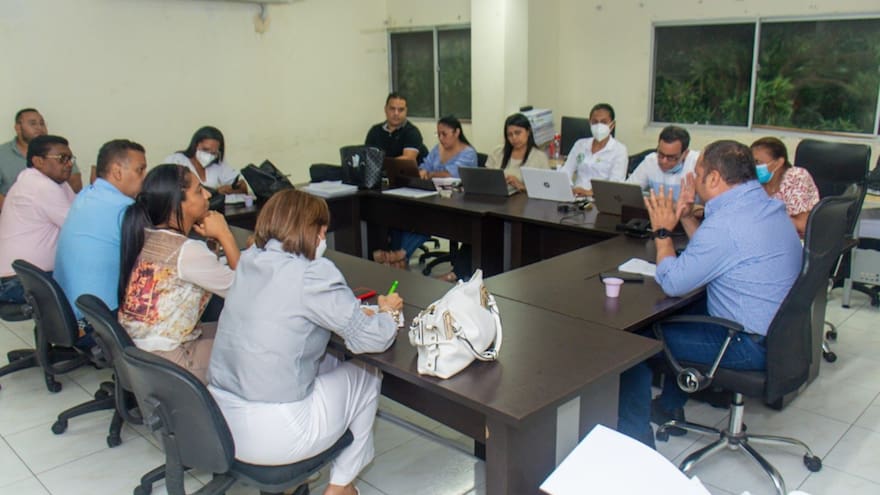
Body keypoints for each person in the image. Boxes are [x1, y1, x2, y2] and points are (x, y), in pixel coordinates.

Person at [208, 189, 401, 495]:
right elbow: (371, 339)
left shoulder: (249, 260)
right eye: (322, 230)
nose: (324, 237)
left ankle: (298, 482)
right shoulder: (312, 273)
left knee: (330, 361)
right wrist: (388, 313)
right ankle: (342, 486)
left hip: (219, 423)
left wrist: (347, 312)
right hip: (274, 433)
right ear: (310, 229)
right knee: (366, 374)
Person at [617, 140, 802, 448]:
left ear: (714, 178)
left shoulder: (727, 225)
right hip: (781, 338)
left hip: (744, 343)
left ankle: (636, 445)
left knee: (633, 342)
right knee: (684, 311)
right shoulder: (765, 205)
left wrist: (663, 232)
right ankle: (668, 407)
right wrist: (688, 218)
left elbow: (674, 282)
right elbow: (721, 252)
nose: (694, 178)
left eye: (698, 172)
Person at [118, 164, 239, 384]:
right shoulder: (188, 251)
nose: (208, 194)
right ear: (177, 204)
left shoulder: (151, 235)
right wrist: (225, 235)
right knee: (255, 343)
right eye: (198, 190)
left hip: (142, 355)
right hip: (171, 362)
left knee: (233, 326)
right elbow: (246, 291)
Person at [54, 139, 147, 341]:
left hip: (64, 310)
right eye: (140, 170)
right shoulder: (123, 210)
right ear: (117, 171)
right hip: (95, 321)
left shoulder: (88, 193)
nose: (144, 178)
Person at [0, 135, 76, 304]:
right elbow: (79, 228)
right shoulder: (40, 186)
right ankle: (80, 329)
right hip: (18, 282)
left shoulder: (57, 183)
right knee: (87, 291)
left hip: (31, 277)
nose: (69, 164)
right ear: (38, 161)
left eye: (70, 158)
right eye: (62, 159)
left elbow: (80, 216)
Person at [0, 109, 82, 209]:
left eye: (42, 124)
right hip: (15, 212)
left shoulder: (58, 151)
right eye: (33, 124)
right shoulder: (2, 153)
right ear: (18, 128)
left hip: (55, 206)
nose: (39, 128)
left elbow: (76, 185)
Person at [750, 137, 819, 236]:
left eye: (757, 162)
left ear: (778, 163)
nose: (752, 167)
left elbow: (803, 225)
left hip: (796, 240)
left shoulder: (796, 177)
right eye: (750, 162)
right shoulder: (754, 181)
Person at [560, 103, 628, 196]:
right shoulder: (580, 144)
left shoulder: (619, 150)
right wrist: (569, 189)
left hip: (601, 201)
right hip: (576, 197)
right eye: (595, 122)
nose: (599, 126)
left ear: (612, 125)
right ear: (590, 123)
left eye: (604, 122)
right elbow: (566, 171)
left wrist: (589, 193)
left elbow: (615, 186)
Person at [163, 126, 247, 194]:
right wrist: (215, 191)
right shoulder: (177, 160)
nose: (209, 155)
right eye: (205, 150)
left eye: (213, 153)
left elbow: (243, 185)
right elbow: (169, 189)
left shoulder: (218, 165)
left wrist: (231, 189)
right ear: (195, 145)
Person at [626, 125, 699, 200]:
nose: (664, 161)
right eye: (661, 154)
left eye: (671, 157)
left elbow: (709, 205)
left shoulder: (697, 164)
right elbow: (627, 191)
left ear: (685, 153)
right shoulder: (651, 161)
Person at [485, 113, 550, 191]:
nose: (514, 138)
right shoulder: (497, 152)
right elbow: (486, 180)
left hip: (524, 201)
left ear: (528, 132)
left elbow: (546, 189)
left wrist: (521, 186)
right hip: (497, 198)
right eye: (510, 134)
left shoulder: (539, 157)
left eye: (518, 133)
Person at [364, 92, 428, 163]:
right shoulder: (374, 131)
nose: (396, 113)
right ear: (385, 109)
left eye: (401, 110)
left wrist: (382, 166)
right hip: (381, 173)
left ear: (406, 111)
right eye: (392, 109)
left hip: (406, 173)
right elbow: (368, 157)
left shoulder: (412, 132)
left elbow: (408, 160)